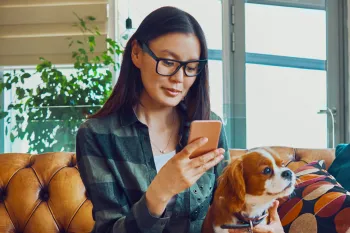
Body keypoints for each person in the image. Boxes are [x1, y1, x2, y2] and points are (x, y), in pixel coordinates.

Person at [76, 6, 284, 233]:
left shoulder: (209, 126)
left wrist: (262, 224)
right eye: (167, 62)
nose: (179, 78)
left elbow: (226, 208)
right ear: (136, 53)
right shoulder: (97, 135)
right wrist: (161, 191)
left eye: (191, 67)